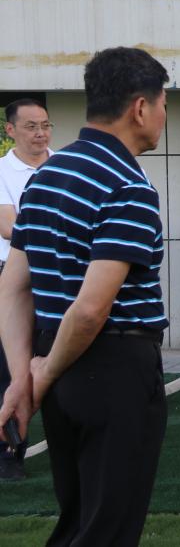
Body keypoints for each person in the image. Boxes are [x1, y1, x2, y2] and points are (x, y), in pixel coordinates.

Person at [0, 47, 169, 545]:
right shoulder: (128, 185)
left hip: (58, 364)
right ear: (140, 107)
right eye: (163, 103)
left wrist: (23, 376)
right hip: (111, 364)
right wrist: (41, 374)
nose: (164, 115)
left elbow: (13, 286)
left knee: (78, 520)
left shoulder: (45, 177)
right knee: (107, 529)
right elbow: (92, 309)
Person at [0, 99, 53, 481]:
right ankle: (9, 453)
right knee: (9, 369)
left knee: (60, 362)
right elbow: (9, 226)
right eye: (31, 126)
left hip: (59, 277)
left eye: (45, 125)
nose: (40, 133)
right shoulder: (2, 171)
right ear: (10, 130)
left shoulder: (65, 165)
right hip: (11, 277)